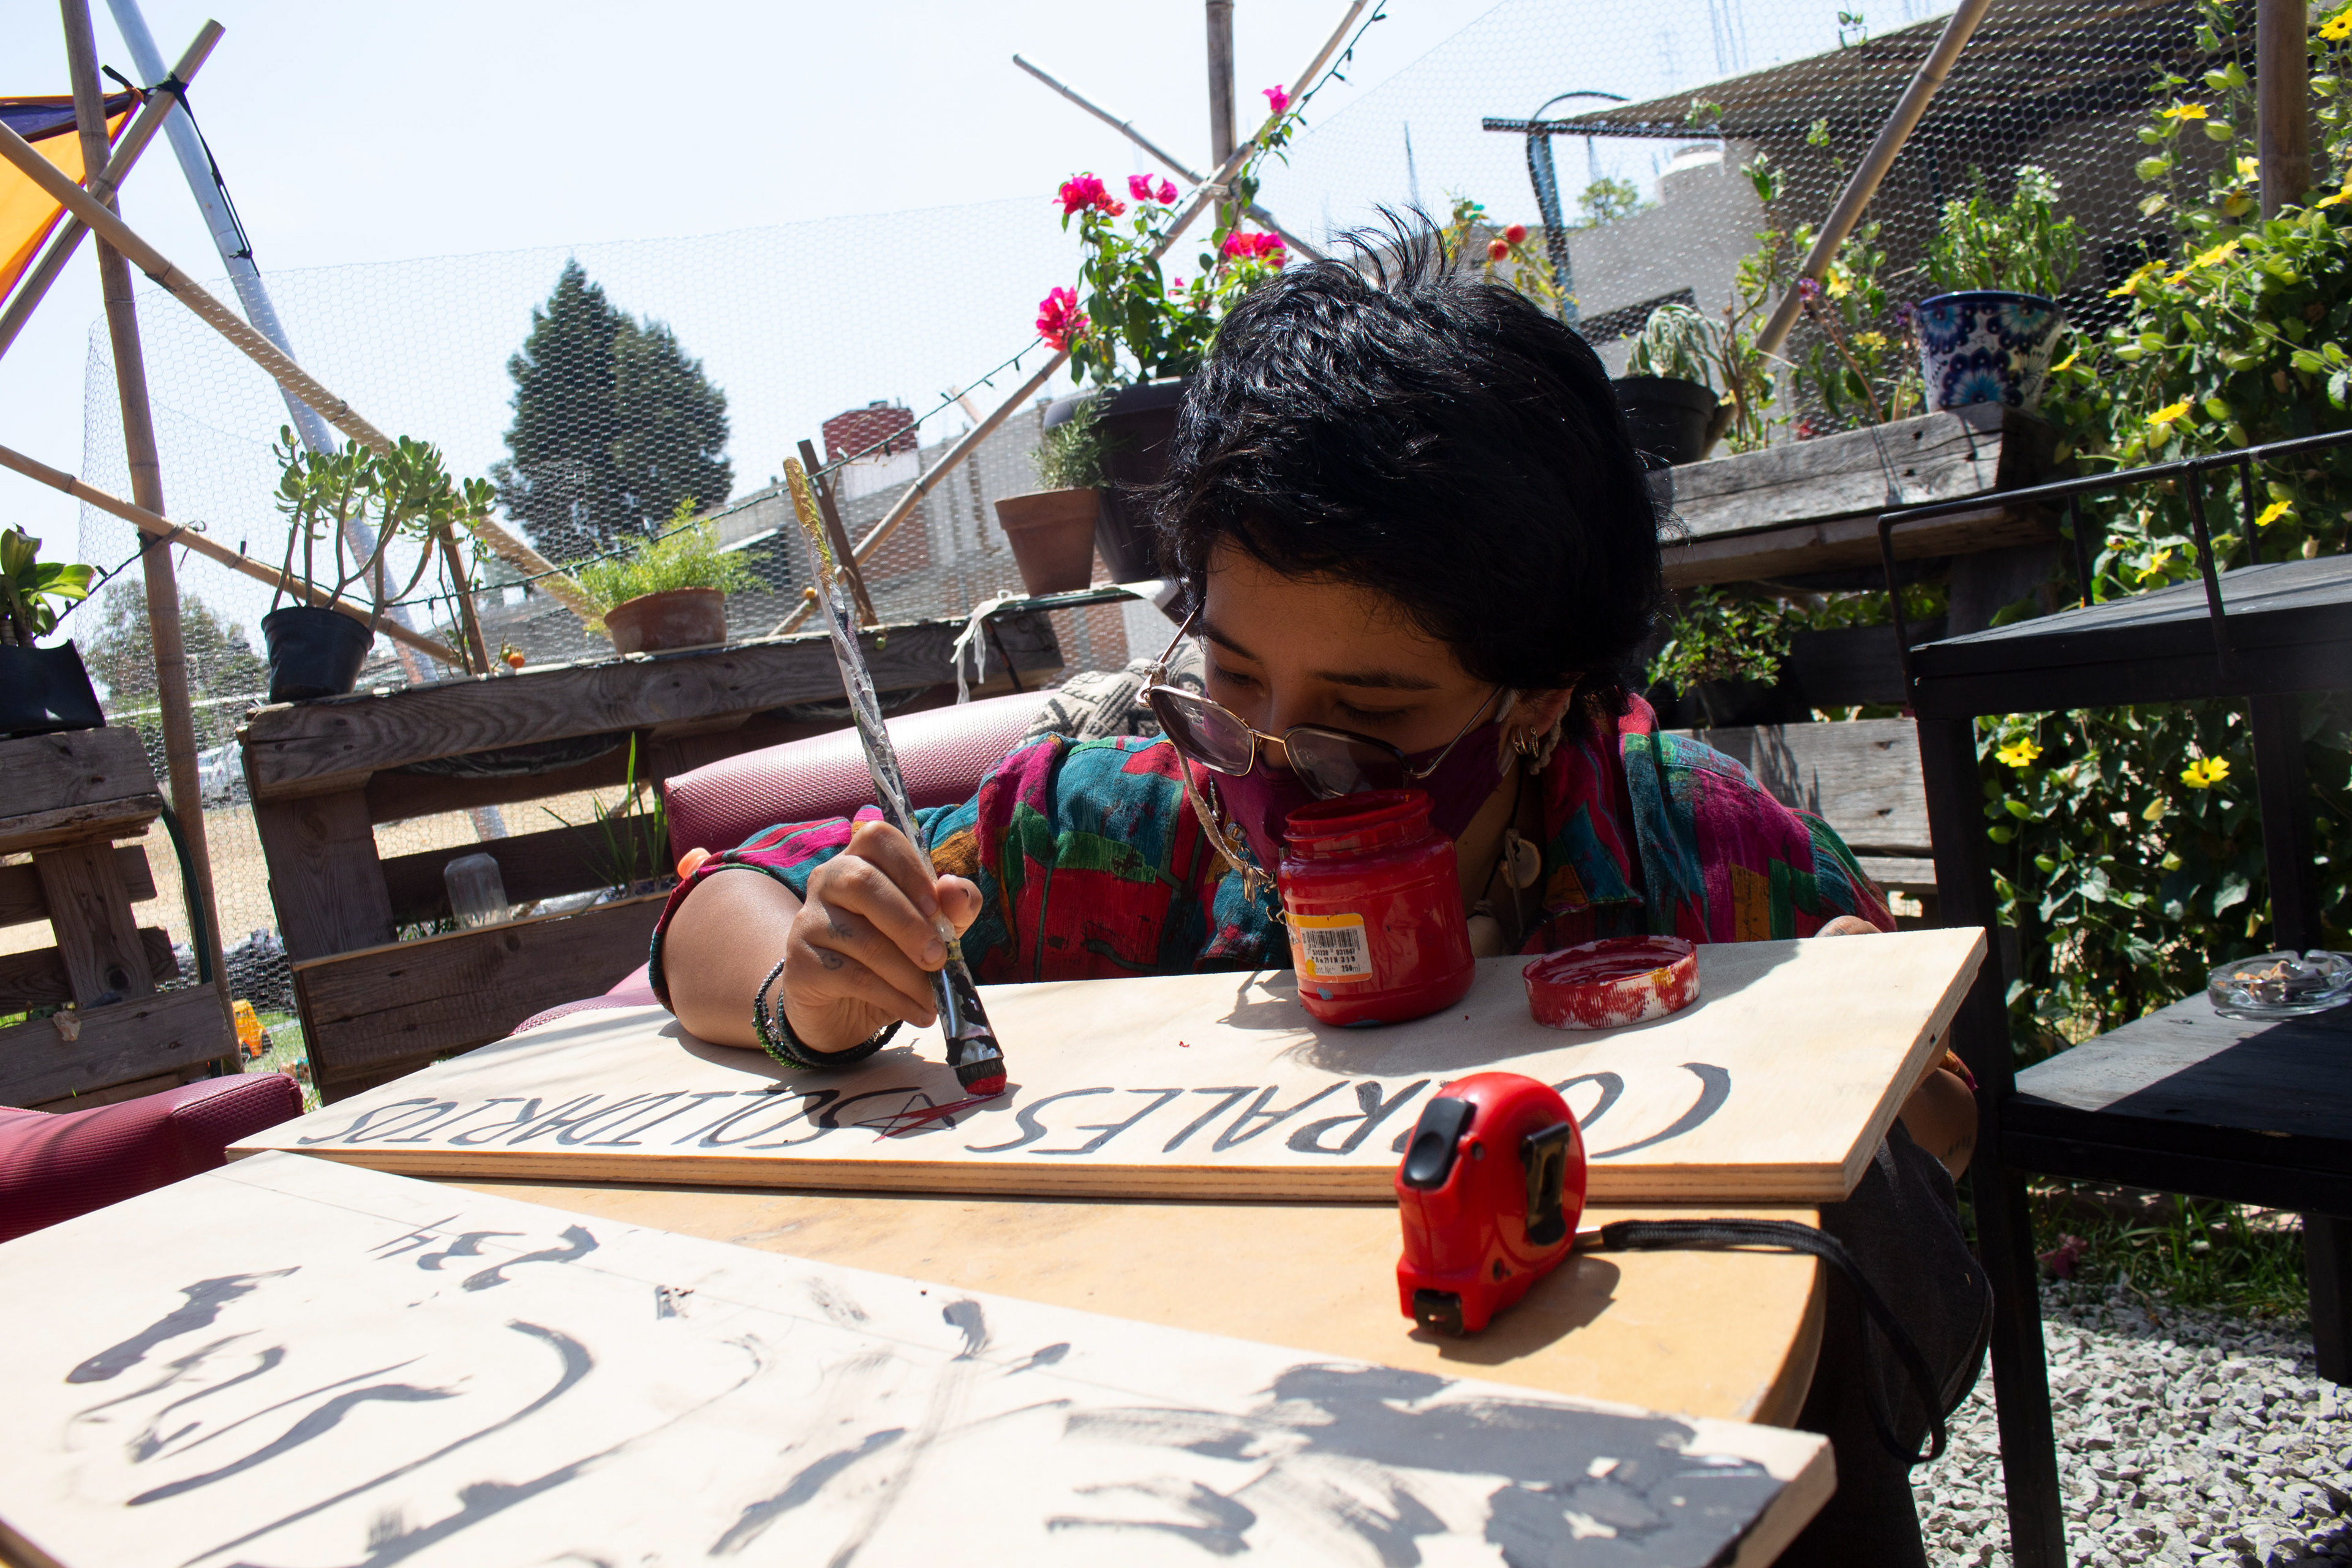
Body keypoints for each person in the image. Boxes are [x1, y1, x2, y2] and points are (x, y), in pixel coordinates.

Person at [655, 229, 1985, 1564]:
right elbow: (719, 903)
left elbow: (1938, 1146)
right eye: (1229, 684)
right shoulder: (1114, 838)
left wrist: (1890, 1110)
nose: (1274, 771)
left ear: (1538, 701)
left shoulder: (1701, 854)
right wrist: (812, 988)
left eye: (1369, 721)